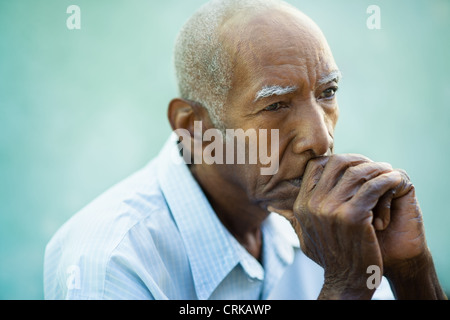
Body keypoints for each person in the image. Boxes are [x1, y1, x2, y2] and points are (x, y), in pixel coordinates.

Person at [44, 0, 446, 300]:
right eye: (275, 105)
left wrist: (411, 272)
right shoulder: (110, 260)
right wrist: (345, 285)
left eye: (328, 92)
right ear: (195, 128)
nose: (321, 139)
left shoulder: (334, 223)